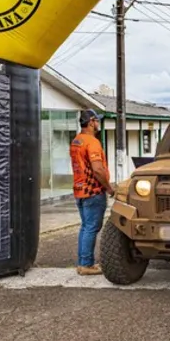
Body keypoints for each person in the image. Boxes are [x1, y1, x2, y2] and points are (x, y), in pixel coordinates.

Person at [69, 109, 114, 275]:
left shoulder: (76, 141)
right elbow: (97, 169)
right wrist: (109, 188)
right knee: (91, 228)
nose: (98, 124)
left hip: (79, 190)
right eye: (97, 121)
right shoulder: (92, 142)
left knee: (85, 227)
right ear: (91, 122)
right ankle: (86, 265)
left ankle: (82, 262)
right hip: (93, 191)